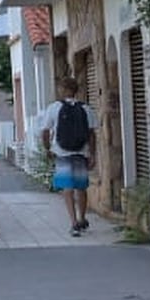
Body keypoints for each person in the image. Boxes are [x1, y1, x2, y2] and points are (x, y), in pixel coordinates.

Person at [35, 77, 98, 237]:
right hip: (81, 152)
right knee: (81, 188)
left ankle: (73, 223)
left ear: (63, 90)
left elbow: (45, 130)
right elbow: (91, 134)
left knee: (67, 189)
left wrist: (48, 148)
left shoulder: (54, 108)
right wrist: (92, 154)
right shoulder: (86, 108)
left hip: (62, 152)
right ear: (76, 90)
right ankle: (82, 218)